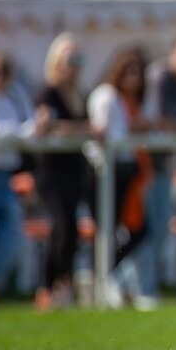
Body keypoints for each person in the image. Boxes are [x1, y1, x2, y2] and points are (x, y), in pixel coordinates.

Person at [0, 50, 46, 308]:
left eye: (4, 72)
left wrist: (26, 132)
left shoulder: (16, 95)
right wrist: (23, 134)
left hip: (5, 176)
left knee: (13, 238)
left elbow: (33, 127)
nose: (0, 77)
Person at [87, 47, 153, 308]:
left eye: (137, 72)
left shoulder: (131, 101)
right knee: (108, 229)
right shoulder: (107, 95)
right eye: (129, 71)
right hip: (107, 171)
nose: (133, 77)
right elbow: (104, 133)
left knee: (133, 231)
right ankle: (100, 279)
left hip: (127, 170)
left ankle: (105, 276)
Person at [34, 33, 92, 311]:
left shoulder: (79, 94)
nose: (74, 65)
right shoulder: (48, 91)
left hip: (74, 169)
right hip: (51, 171)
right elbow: (46, 126)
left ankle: (63, 285)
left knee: (72, 229)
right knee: (62, 226)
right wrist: (82, 130)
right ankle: (48, 286)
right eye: (70, 59)